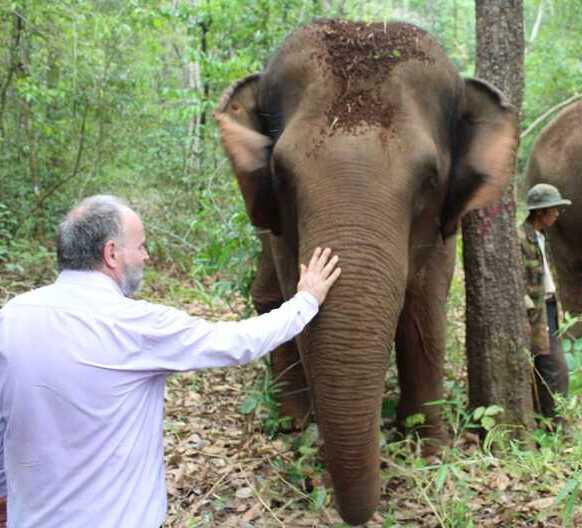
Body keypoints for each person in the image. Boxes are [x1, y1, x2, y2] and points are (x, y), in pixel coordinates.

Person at [0, 195, 341, 528]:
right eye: (141, 246)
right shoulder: (135, 324)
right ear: (112, 254)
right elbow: (239, 343)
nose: (147, 256)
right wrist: (307, 299)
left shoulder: (11, 317)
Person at [519, 183, 571, 420]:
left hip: (549, 306)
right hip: (535, 312)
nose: (557, 213)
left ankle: (548, 420)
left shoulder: (542, 237)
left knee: (547, 364)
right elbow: (515, 279)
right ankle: (555, 424)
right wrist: (528, 310)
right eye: (554, 209)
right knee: (554, 367)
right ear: (541, 212)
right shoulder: (520, 238)